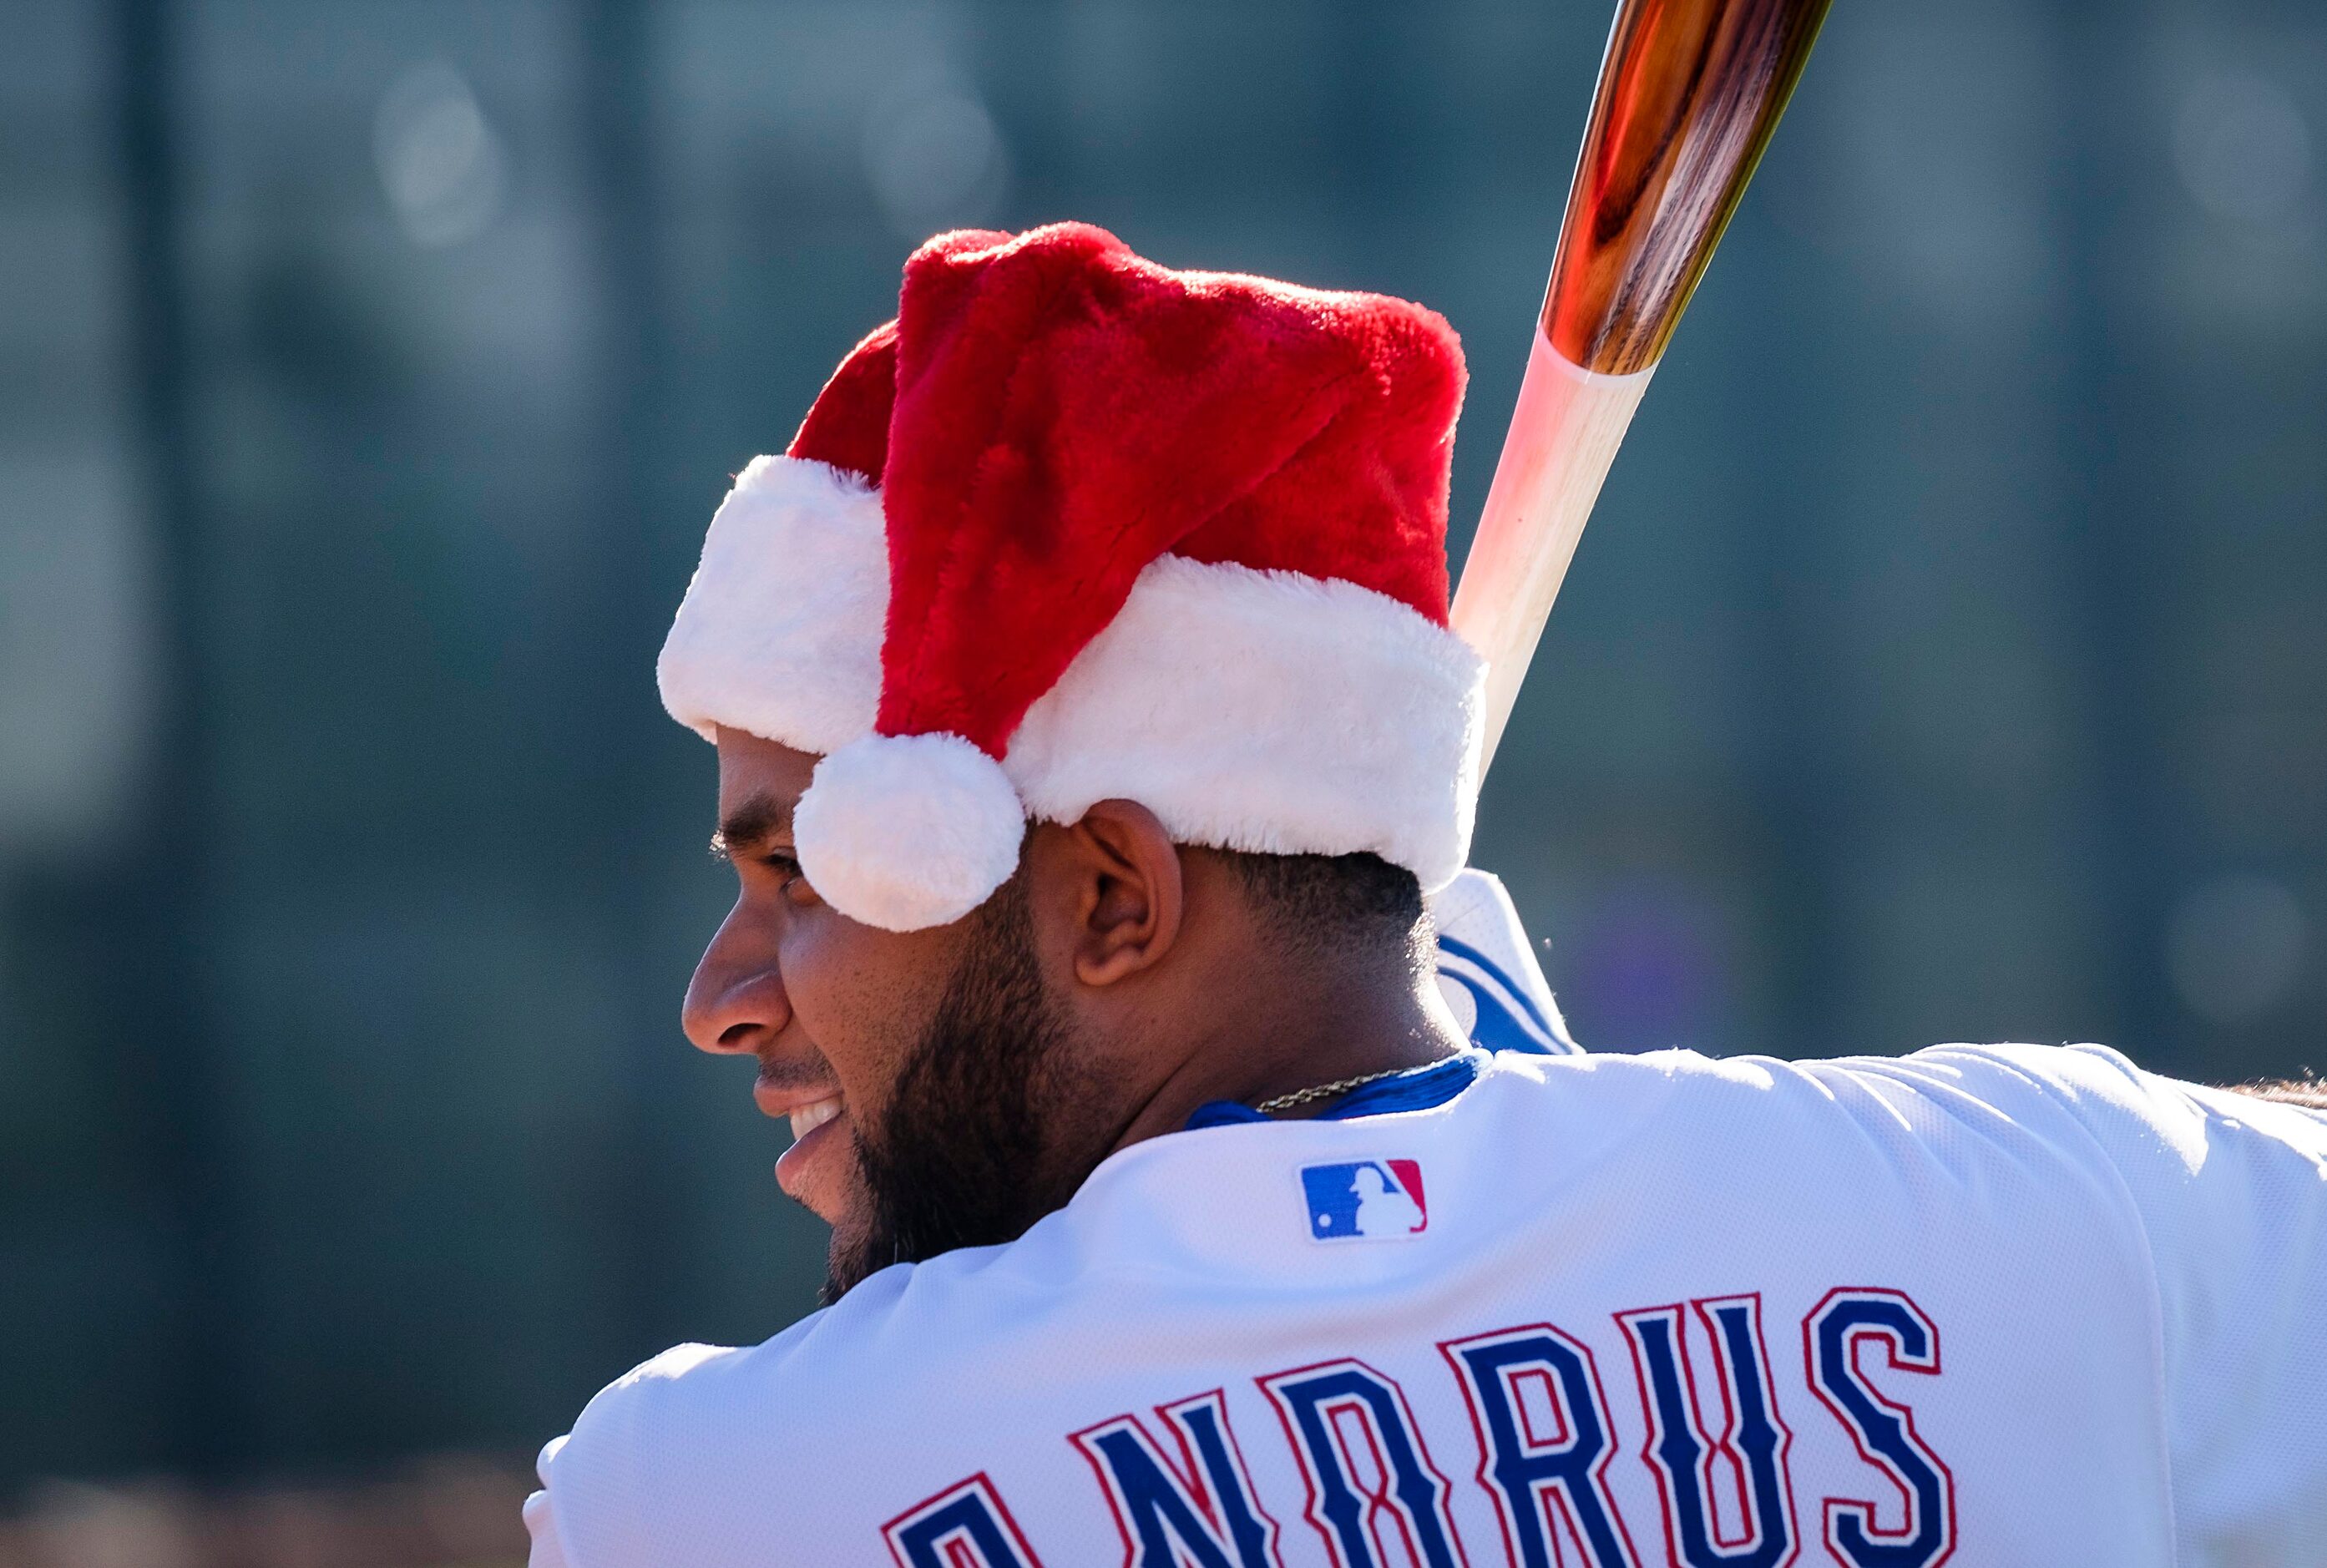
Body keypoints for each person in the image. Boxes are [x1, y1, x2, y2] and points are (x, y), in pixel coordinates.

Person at [526, 224, 2327, 1568]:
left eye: (795, 868)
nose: (724, 994)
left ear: (1113, 904)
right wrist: (1532, 1137)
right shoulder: (2029, 1206)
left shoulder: (713, 1497)